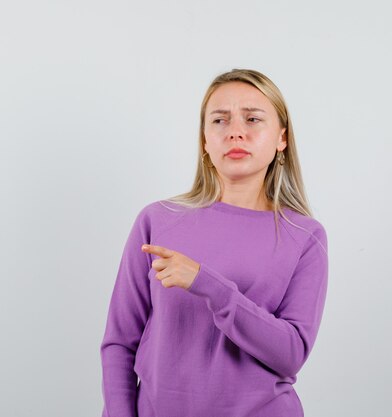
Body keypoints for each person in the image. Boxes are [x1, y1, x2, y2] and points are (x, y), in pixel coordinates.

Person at [99, 68, 329, 417]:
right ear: (205, 140)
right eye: (220, 121)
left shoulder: (305, 235)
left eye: (253, 119)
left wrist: (210, 287)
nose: (236, 132)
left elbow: (291, 354)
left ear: (282, 138)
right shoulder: (157, 220)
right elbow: (120, 342)